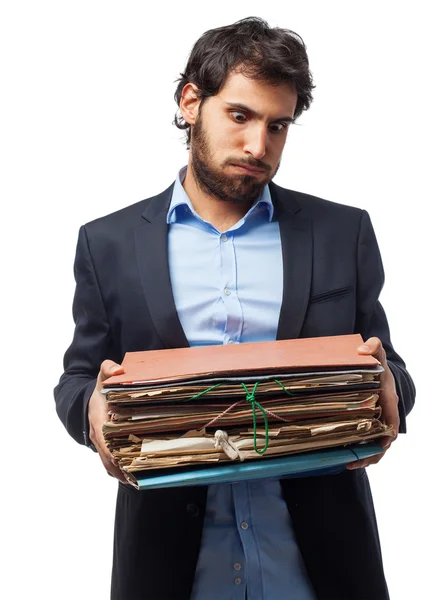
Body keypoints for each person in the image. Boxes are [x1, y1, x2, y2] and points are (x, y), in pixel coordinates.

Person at [54, 16, 415, 600]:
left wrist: (393, 384)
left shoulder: (341, 231)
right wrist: (90, 408)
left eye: (279, 126)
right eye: (240, 116)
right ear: (191, 101)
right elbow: (76, 377)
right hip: (172, 568)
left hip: (321, 566)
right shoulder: (108, 243)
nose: (258, 146)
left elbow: (387, 364)